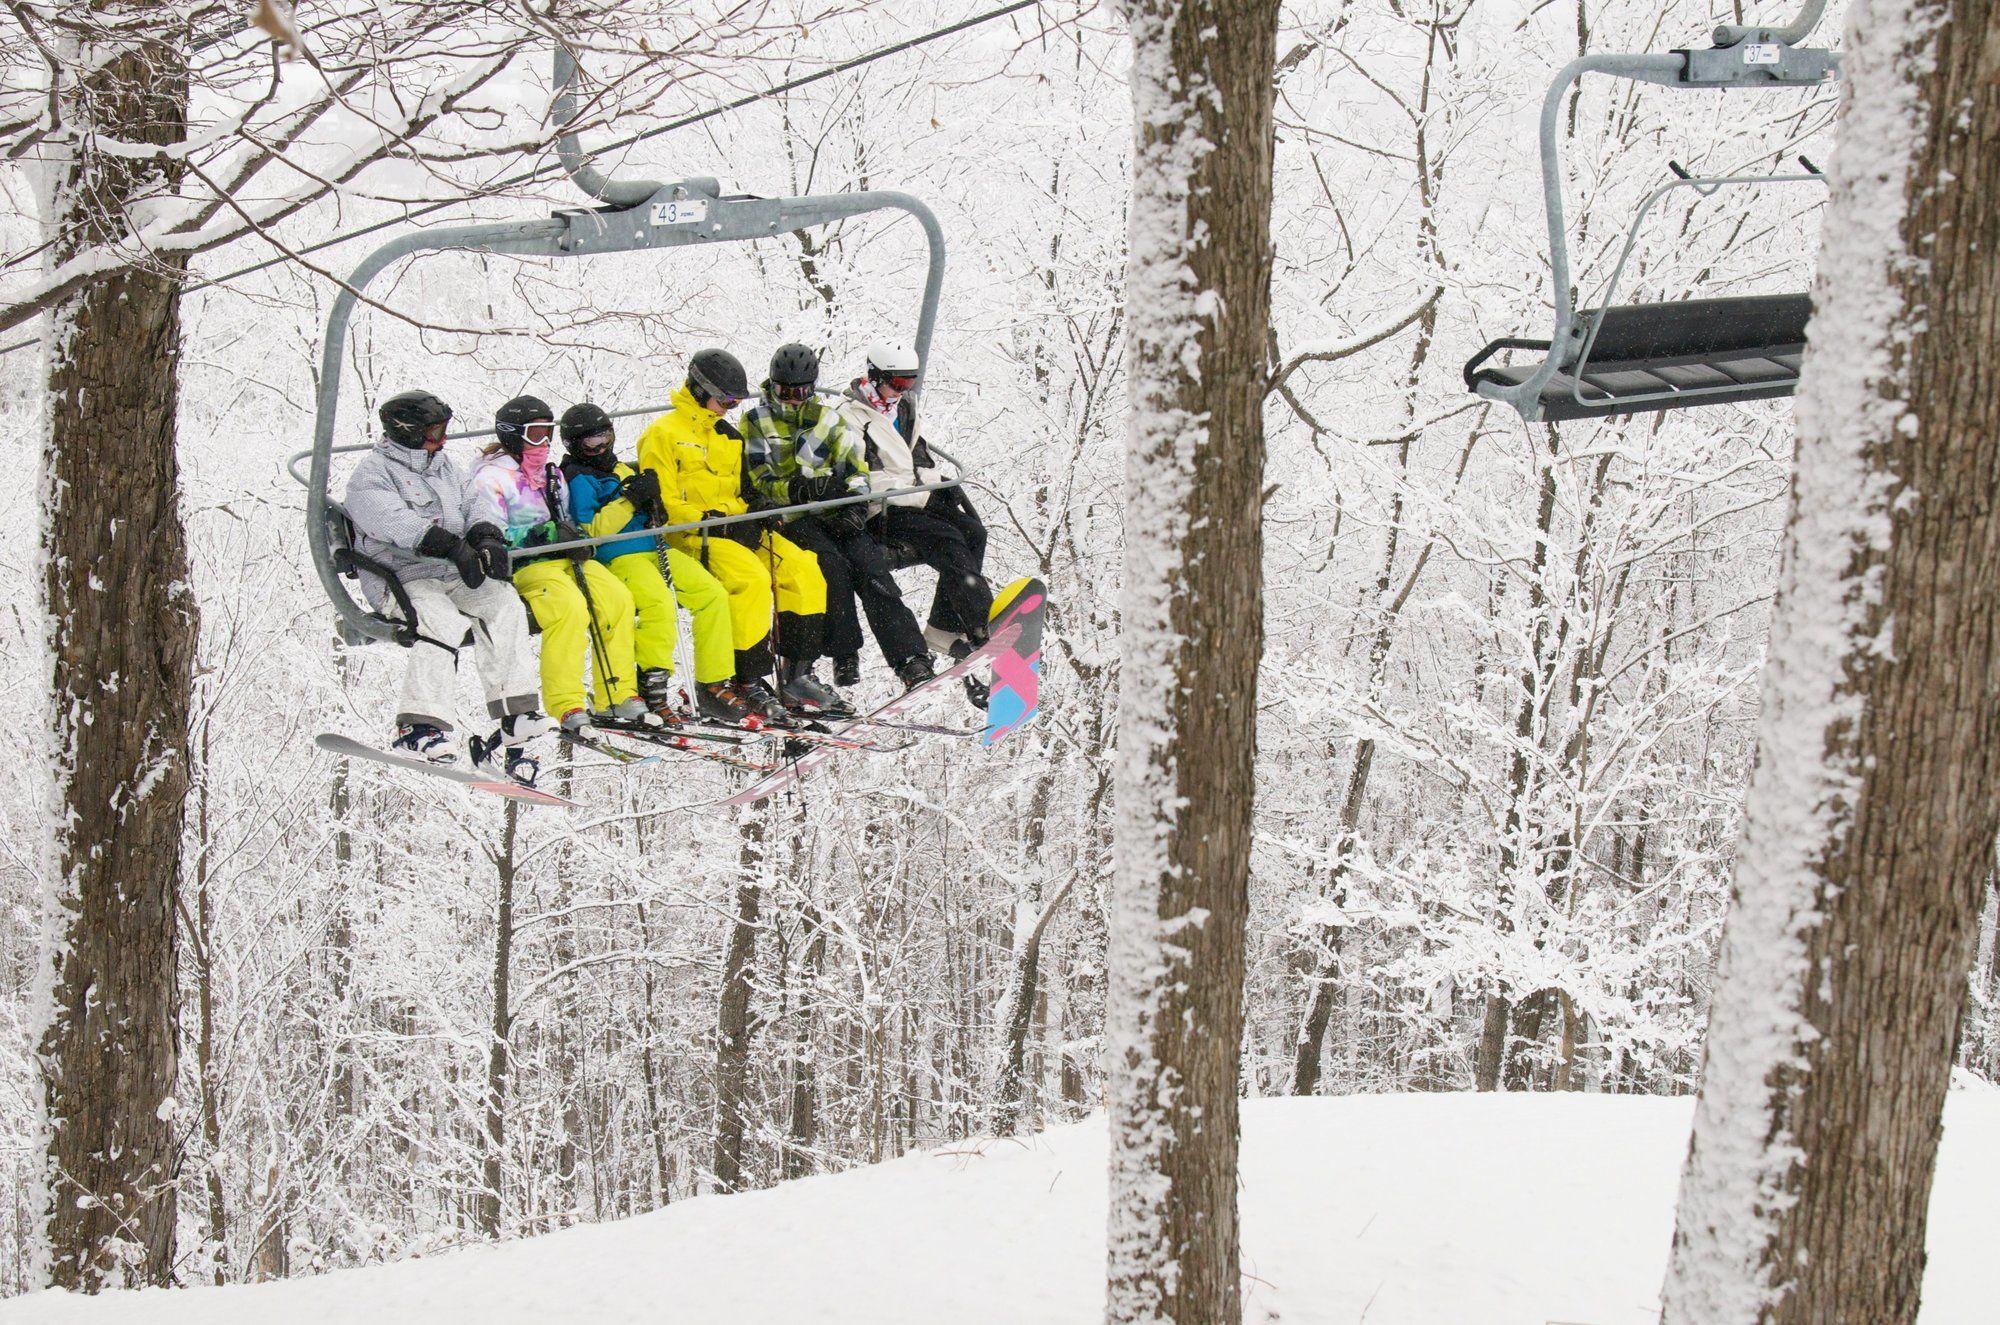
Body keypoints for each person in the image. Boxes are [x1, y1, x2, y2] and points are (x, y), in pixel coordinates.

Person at [342, 389, 550, 773]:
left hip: (450, 572)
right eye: (434, 431)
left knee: (503, 603)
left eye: (443, 430)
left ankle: (515, 714)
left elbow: (475, 504)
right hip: (400, 575)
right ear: (407, 431)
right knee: (441, 619)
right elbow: (393, 522)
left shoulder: (444, 468)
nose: (442, 439)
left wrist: (486, 536)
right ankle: (419, 726)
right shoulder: (372, 476)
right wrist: (452, 547)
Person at [634, 348, 837, 721]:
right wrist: (716, 522)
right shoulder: (662, 435)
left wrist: (758, 506)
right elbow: (662, 504)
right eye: (724, 399)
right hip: (696, 537)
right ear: (698, 389)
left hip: (740, 530)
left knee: (804, 569)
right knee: (751, 580)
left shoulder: (727, 435)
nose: (728, 408)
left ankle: (797, 673)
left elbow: (743, 488)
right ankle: (748, 677)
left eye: (734, 402)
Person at [742, 342, 935, 693]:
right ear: (773, 385)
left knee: (870, 565)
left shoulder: (828, 419)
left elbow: (855, 467)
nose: (794, 399)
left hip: (833, 509)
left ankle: (910, 657)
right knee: (830, 565)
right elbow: (759, 478)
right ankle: (844, 654)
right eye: (786, 391)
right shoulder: (757, 421)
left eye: (801, 391)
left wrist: (855, 507)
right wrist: (799, 491)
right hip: (792, 516)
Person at [470, 395, 657, 737]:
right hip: (528, 566)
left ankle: (617, 694)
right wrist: (549, 533)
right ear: (513, 435)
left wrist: (573, 535)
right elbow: (491, 535)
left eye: (547, 433)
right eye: (535, 434)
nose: (543, 442)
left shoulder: (552, 474)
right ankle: (566, 701)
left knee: (617, 598)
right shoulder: (491, 480)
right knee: (568, 609)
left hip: (567, 557)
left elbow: (571, 520)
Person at [559, 400, 754, 724]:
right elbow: (590, 530)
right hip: (620, 555)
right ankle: (653, 682)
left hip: (654, 547)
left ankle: (712, 682)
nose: (602, 447)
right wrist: (629, 500)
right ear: (575, 446)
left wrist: (654, 506)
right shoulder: (578, 478)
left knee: (711, 594)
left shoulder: (620, 469)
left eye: (606, 438)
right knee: (659, 603)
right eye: (592, 443)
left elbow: (646, 507)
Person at [837, 341, 994, 702]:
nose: (902, 391)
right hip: (882, 510)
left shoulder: (905, 408)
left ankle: (943, 626)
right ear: (873, 378)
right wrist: (915, 492)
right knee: (946, 539)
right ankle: (979, 622)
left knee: (973, 531)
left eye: (909, 383)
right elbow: (861, 475)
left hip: (914, 499)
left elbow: (917, 457)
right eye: (896, 383)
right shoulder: (850, 417)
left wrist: (934, 486)